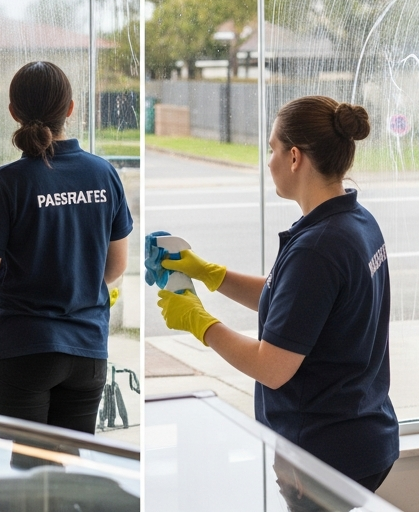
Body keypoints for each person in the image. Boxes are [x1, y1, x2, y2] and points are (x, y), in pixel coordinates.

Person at [156, 96, 398, 495]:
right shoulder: (355, 221)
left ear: (295, 157)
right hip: (363, 436)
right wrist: (209, 273)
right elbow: (295, 305)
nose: (269, 161)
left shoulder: (317, 248)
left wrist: (200, 323)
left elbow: (271, 367)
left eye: (272, 149)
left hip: (320, 458)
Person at [0, 61, 131, 435]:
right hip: (87, 350)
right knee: (70, 462)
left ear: (13, 112)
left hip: (23, 350)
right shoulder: (104, 174)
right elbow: (115, 265)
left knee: (26, 466)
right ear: (71, 108)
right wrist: (86, 288)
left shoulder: (7, 183)